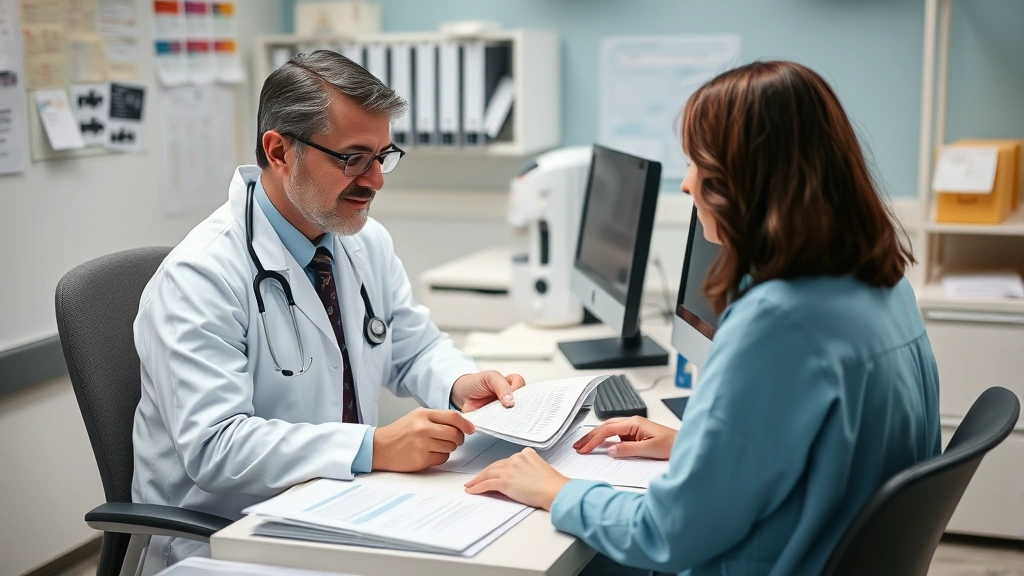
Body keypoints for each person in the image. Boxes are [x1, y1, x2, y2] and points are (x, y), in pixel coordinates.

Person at [464, 60, 941, 576]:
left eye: (698, 165)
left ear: (748, 181)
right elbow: (826, 453)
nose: (687, 186)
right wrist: (696, 448)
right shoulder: (887, 288)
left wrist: (558, 491)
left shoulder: (777, 323)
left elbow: (669, 535)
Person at [132, 51, 524, 571]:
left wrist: (458, 383)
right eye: (353, 158)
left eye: (383, 155)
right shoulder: (200, 277)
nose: (376, 180)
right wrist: (374, 447)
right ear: (279, 151)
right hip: (229, 539)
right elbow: (215, 446)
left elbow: (414, 345)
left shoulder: (362, 242)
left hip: (340, 509)